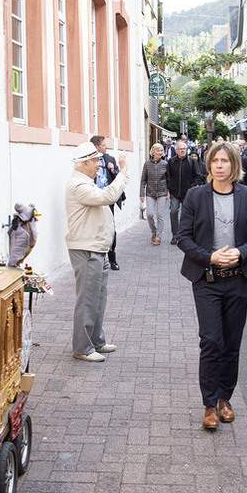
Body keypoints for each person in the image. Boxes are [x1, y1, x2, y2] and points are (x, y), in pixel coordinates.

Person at [177, 141, 247, 430]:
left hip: (238, 279)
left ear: (234, 165)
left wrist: (240, 252)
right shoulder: (195, 196)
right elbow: (184, 238)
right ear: (209, 164)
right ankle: (209, 403)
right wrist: (210, 256)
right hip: (207, 280)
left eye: (225, 160)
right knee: (211, 340)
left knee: (231, 343)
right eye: (214, 160)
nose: (219, 165)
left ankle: (225, 399)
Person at [65, 142, 130, 362]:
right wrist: (122, 171)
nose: (99, 166)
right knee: (87, 300)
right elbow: (108, 197)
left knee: (98, 298)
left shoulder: (86, 182)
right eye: (95, 162)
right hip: (87, 249)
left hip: (97, 248)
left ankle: (96, 341)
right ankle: (82, 348)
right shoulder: (78, 185)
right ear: (84, 164)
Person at [91, 135, 125, 270]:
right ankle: (97, 258)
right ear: (96, 147)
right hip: (94, 198)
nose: (106, 147)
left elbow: (118, 178)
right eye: (103, 145)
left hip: (108, 198)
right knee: (96, 228)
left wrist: (113, 169)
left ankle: (112, 258)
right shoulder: (90, 161)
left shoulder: (110, 159)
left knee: (111, 229)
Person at [166, 140, 201, 245]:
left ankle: (186, 234)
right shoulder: (172, 162)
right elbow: (168, 176)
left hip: (188, 193)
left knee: (188, 214)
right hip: (175, 192)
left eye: (184, 149)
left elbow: (197, 175)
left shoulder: (192, 161)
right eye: (180, 149)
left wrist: (192, 187)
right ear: (176, 150)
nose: (182, 151)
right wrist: (169, 188)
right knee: (173, 212)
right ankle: (175, 234)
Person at [140, 143, 169, 245]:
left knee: (160, 215)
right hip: (150, 192)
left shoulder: (165, 164)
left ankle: (158, 237)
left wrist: (168, 191)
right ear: (153, 152)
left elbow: (168, 179)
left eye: (161, 151)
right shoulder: (147, 164)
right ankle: (153, 231)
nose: (160, 152)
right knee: (149, 214)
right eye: (158, 150)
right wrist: (141, 193)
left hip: (162, 192)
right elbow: (143, 179)